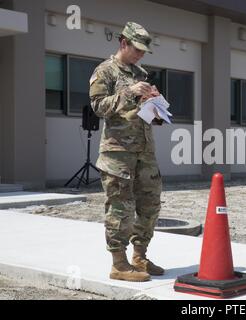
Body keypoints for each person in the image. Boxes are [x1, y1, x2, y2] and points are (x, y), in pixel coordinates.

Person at [89, 22, 164, 282]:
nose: (141, 55)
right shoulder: (105, 71)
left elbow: (142, 113)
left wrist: (154, 105)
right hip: (118, 153)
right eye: (137, 49)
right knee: (121, 208)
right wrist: (129, 92)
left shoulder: (140, 72)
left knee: (150, 205)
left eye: (144, 51)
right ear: (123, 43)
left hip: (144, 151)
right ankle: (119, 264)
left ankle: (139, 257)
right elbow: (98, 106)